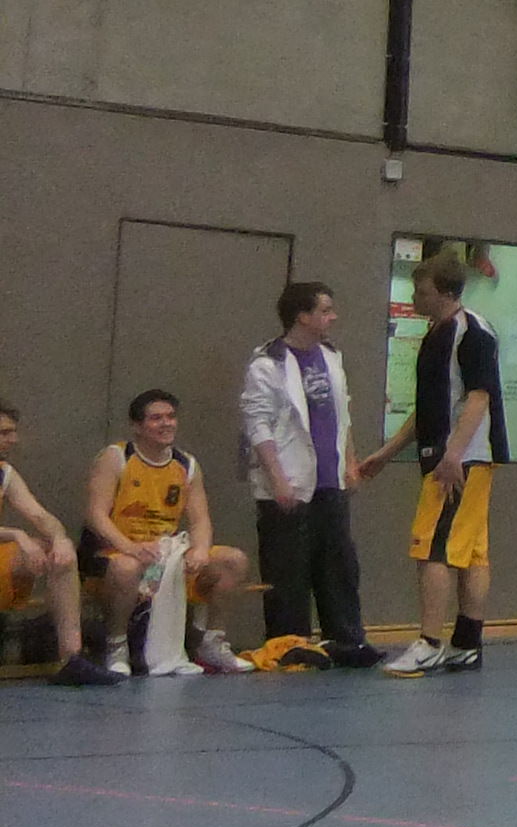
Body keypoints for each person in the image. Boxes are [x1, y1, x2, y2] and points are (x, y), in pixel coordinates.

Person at [239, 280, 382, 667]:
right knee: (288, 569)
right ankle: (289, 643)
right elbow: (258, 425)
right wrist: (277, 478)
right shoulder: (267, 364)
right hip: (289, 483)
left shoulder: (331, 356)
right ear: (302, 316)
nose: (332, 317)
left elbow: (342, 413)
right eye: (325, 310)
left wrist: (349, 462)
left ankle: (346, 639)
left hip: (329, 481)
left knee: (339, 564)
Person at [378, 249, 503, 675]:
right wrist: (386, 453)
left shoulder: (473, 332)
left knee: (431, 546)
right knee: (472, 551)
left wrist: (453, 455)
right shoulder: (435, 334)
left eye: (421, 291)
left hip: (462, 459)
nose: (414, 297)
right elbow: (429, 408)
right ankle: (466, 644)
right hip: (451, 456)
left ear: (446, 292)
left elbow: (479, 397)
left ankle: (429, 642)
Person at [79, 390, 247, 677]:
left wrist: (200, 550)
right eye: (156, 418)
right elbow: (96, 515)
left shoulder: (186, 464)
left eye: (170, 417)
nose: (166, 423)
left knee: (233, 560)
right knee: (126, 567)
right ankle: (117, 647)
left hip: (164, 554)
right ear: (137, 426)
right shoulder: (117, 457)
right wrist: (130, 547)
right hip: (115, 551)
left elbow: (200, 519)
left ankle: (212, 643)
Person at [1, 403, 105, 687]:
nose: (13, 440)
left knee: (61, 555)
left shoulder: (5, 473)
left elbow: (39, 515)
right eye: (4, 433)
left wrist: (58, 538)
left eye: (12, 432)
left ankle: (71, 659)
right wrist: (16, 535)